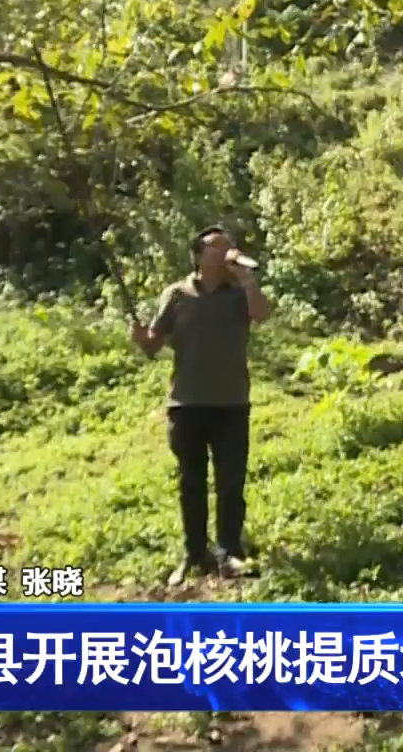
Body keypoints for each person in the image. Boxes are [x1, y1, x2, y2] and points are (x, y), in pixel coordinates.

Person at [132, 226, 272, 577]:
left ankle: (230, 551)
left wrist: (247, 278)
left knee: (231, 482)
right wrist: (141, 339)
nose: (226, 252)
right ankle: (195, 553)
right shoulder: (176, 295)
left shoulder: (240, 293)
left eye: (230, 246)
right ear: (198, 256)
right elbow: (153, 344)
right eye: (216, 247)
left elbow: (262, 315)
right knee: (191, 483)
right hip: (186, 403)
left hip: (231, 403)